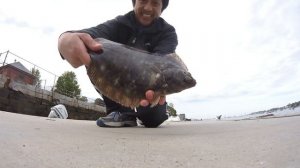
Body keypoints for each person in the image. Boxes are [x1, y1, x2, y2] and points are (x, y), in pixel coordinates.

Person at [58, 0, 178, 128]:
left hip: (149, 88)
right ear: (134, 3)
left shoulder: (168, 33)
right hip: (119, 81)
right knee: (94, 52)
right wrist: (64, 40)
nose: (148, 8)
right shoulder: (119, 24)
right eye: (143, 1)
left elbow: (163, 62)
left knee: (152, 120)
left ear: (162, 8)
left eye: (155, 3)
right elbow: (88, 35)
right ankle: (119, 111)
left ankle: (147, 114)